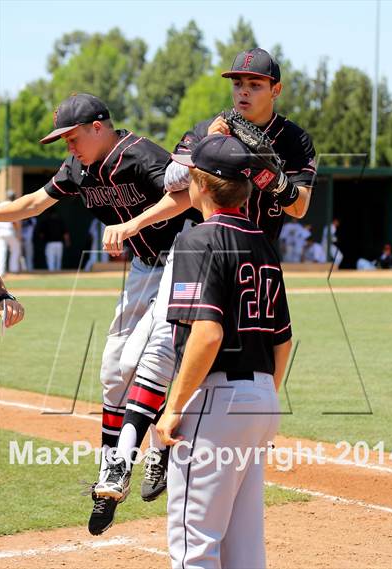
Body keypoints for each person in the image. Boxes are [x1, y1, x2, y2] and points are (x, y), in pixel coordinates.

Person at [98, 48, 315, 509]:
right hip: (204, 247)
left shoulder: (295, 141)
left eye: (254, 84)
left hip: (255, 256)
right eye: (237, 82)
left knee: (242, 356)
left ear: (275, 90)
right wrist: (136, 224)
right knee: (162, 348)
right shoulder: (207, 130)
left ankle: (234, 428)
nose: (243, 90)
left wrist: (270, 176)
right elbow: (181, 192)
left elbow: (299, 206)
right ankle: (144, 454)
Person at [0, 92, 194, 535]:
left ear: (99, 127)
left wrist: (132, 224)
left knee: (149, 356)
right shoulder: (78, 169)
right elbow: (32, 203)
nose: (68, 146)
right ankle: (112, 466)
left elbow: (186, 197)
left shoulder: (140, 155)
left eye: (71, 137)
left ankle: (137, 454)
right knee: (113, 368)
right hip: (145, 265)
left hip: (183, 254)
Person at [156, 135, 292, 567]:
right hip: (261, 398)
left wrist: (174, 406)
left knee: (194, 545)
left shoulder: (198, 240)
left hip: (215, 403)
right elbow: (283, 338)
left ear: (200, 184)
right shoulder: (264, 243)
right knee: (244, 548)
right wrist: (263, 400)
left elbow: (207, 334)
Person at [0, 190, 21, 276]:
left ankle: (1, 271)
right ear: (14, 197)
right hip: (9, 231)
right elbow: (15, 222)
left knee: (1, 251)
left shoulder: (0, 205)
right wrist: (18, 233)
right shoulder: (14, 205)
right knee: (15, 249)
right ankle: (14, 269)